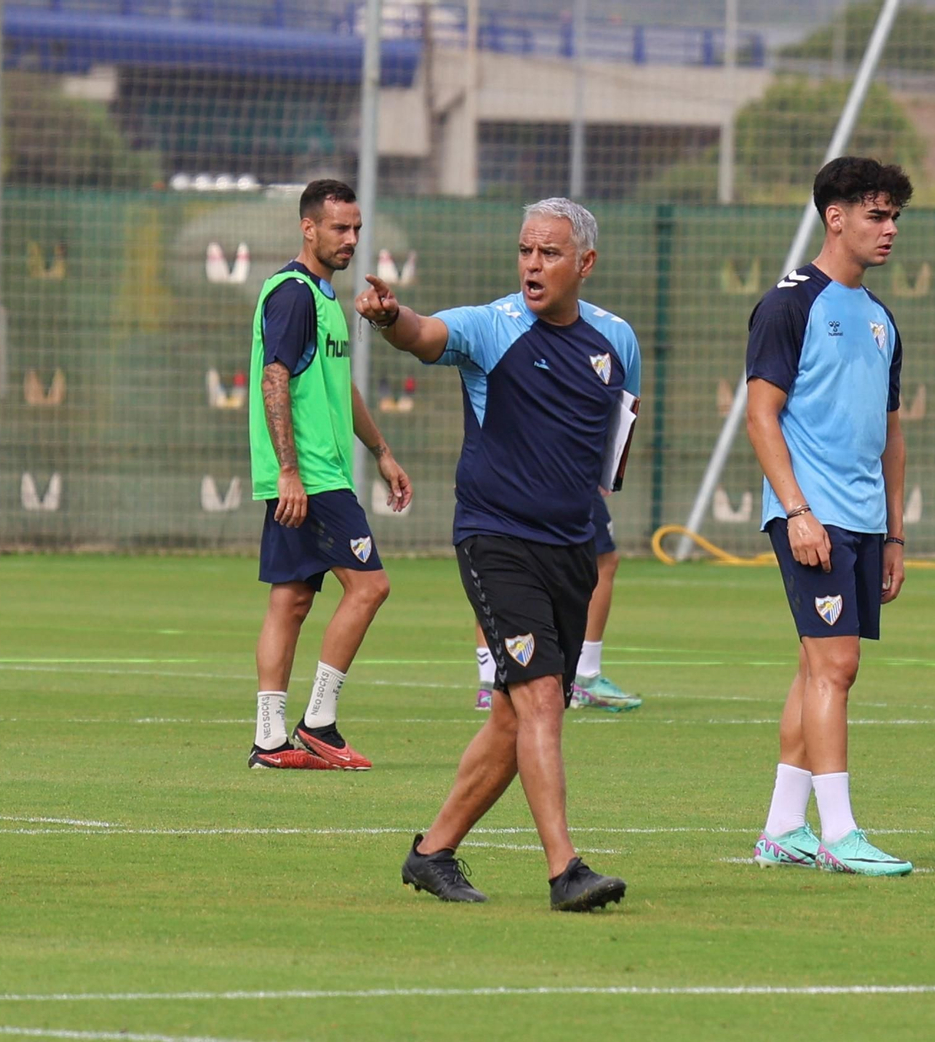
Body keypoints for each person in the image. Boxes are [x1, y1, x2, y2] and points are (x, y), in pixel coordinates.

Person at [357, 197, 637, 911]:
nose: (533, 264)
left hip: (572, 548)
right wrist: (394, 319)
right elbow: (425, 335)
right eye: (525, 251)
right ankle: (565, 870)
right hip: (497, 538)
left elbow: (616, 453)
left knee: (516, 718)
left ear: (585, 264)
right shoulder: (492, 327)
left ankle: (432, 853)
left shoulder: (617, 342)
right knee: (541, 698)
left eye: (548, 253)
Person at [744, 156, 914, 877]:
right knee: (837, 666)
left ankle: (784, 828)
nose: (891, 229)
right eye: (877, 215)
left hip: (865, 521)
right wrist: (798, 511)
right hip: (811, 516)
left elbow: (891, 430)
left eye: (896, 216)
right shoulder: (789, 304)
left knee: (817, 665)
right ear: (834, 217)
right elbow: (761, 415)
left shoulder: (879, 318)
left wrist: (897, 532)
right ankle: (840, 833)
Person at [247, 179, 412, 771]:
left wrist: (381, 451)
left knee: (290, 599)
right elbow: (274, 379)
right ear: (308, 228)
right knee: (370, 586)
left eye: (357, 228)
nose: (351, 239)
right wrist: (290, 471)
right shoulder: (292, 294)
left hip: (315, 473)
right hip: (312, 477)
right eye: (340, 228)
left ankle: (269, 740)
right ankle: (318, 723)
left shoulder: (322, 298)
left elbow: (340, 387)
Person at [470, 491, 640, 713]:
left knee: (497, 563)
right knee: (602, 560)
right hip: (556, 478)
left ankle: (489, 686)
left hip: (499, 480)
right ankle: (585, 676)